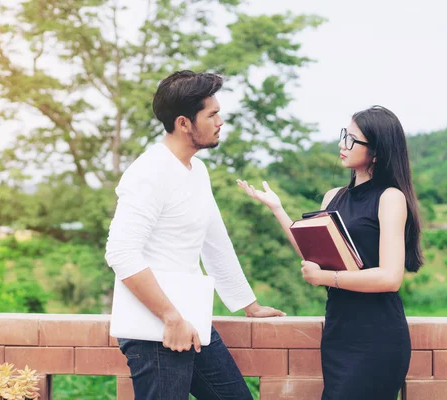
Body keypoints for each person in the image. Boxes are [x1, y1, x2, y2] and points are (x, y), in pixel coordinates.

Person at [105, 70, 285, 400]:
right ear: (184, 123)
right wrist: (170, 317)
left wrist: (250, 305)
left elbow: (215, 241)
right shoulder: (149, 172)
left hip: (191, 318)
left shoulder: (196, 170)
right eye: (212, 114)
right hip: (156, 327)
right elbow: (120, 252)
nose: (220, 121)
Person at [237, 105, 423, 400]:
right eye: (343, 135)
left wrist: (327, 277)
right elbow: (311, 250)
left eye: (351, 139)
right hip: (339, 330)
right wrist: (277, 208)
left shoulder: (390, 198)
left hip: (378, 336)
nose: (341, 144)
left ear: (376, 152)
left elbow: (390, 278)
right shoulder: (333, 197)